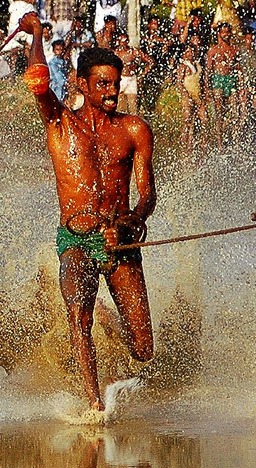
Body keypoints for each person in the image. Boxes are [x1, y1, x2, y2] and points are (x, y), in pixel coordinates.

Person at [19, 13, 155, 413]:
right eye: (103, 84)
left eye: (116, 83)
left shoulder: (134, 130)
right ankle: (96, 405)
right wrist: (39, 33)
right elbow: (37, 80)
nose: (112, 92)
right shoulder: (59, 121)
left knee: (143, 348)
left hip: (120, 240)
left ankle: (111, 329)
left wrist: (131, 222)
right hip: (76, 238)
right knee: (78, 313)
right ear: (82, 84)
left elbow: (147, 196)